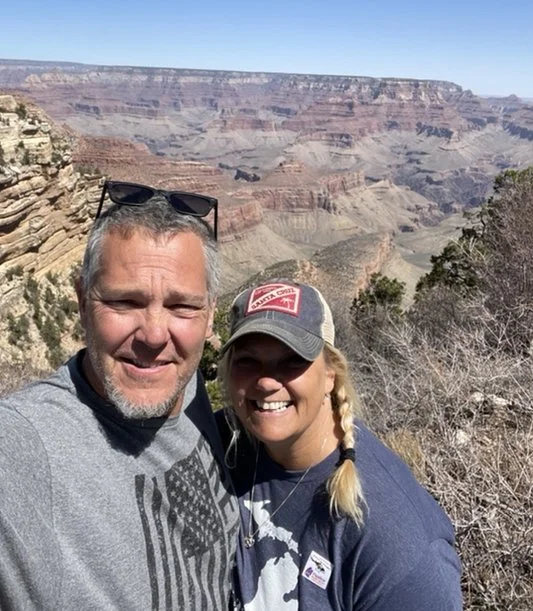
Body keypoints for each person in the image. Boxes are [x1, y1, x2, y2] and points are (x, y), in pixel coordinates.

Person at [0, 181, 238, 610]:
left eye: (182, 307)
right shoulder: (27, 443)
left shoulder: (193, 394)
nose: (153, 335)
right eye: (124, 302)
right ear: (81, 302)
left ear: (208, 316)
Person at [216, 279, 463, 610]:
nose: (266, 381)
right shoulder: (222, 443)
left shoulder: (398, 543)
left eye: (292, 360)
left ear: (330, 373)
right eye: (247, 361)